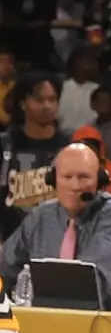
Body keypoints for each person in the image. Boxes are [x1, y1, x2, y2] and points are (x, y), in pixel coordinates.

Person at [0, 142, 111, 306]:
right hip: (42, 321)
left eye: (84, 177)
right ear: (53, 180)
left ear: (99, 181)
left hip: (103, 325)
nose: (75, 186)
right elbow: (6, 266)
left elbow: (87, 286)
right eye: (67, 177)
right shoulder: (41, 216)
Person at [2, 75, 68, 237]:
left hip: (57, 238)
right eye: (39, 100)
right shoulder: (5, 144)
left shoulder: (70, 147)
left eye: (52, 100)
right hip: (9, 238)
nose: (47, 106)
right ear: (23, 103)